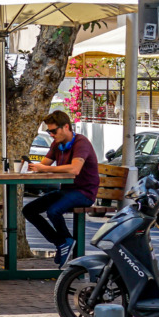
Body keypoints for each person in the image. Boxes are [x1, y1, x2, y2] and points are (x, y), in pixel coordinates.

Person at [25, 109, 99, 264]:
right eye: (49, 131)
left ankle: (66, 240)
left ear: (66, 127)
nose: (51, 134)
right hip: (66, 191)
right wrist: (31, 166)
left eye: (53, 131)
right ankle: (61, 242)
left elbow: (74, 169)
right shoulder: (56, 143)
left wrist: (44, 169)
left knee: (54, 211)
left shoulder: (81, 142)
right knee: (29, 210)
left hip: (84, 192)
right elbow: (45, 163)